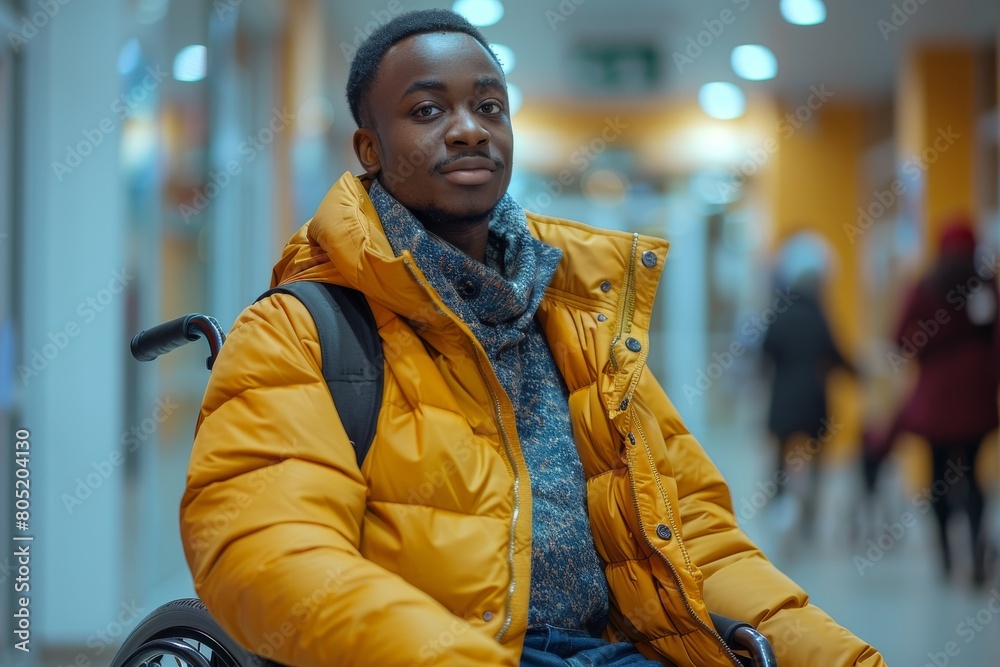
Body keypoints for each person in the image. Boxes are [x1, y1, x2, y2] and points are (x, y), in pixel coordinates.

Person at [179, 9, 885, 667]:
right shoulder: (301, 330)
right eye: (428, 110)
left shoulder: (580, 325)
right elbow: (267, 550)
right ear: (369, 147)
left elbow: (691, 530)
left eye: (489, 106)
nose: (468, 129)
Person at [880, 219, 998, 586]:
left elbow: (900, 337)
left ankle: (947, 555)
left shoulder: (926, 285)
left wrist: (928, 347)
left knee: (938, 478)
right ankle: (977, 553)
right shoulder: (987, 285)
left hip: (937, 400)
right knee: (974, 476)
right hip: (978, 398)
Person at [760, 260, 854, 539]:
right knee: (816, 457)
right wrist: (858, 373)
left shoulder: (780, 314)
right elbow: (836, 355)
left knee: (780, 455)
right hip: (814, 397)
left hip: (783, 397)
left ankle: (779, 504)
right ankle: (809, 517)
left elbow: (766, 351)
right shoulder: (819, 317)